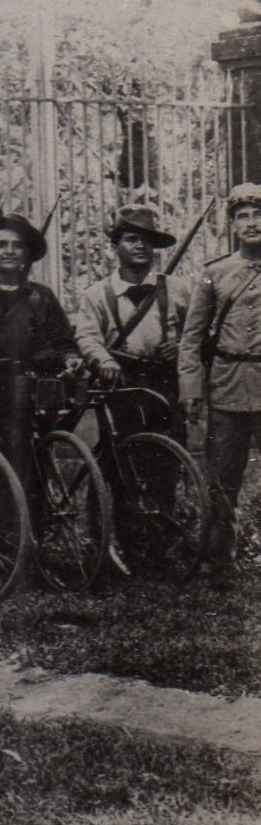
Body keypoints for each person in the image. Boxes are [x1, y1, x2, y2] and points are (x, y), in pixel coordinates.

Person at [178, 183, 261, 584]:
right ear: (231, 224)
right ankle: (220, 561)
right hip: (227, 385)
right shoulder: (215, 274)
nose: (252, 222)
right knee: (222, 479)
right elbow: (192, 336)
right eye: (243, 216)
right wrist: (191, 388)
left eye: (258, 214)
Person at [0, 212, 81, 506]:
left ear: (27, 254)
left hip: (34, 397)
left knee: (34, 470)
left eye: (17, 245)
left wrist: (70, 358)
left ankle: (31, 544)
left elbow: (64, 342)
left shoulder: (41, 297)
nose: (9, 251)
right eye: (1, 244)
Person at [74, 204, 190, 410]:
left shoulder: (176, 289)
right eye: (131, 239)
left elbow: (196, 333)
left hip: (166, 386)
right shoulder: (97, 294)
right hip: (119, 386)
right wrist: (104, 361)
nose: (140, 246)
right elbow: (87, 337)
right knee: (123, 441)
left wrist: (179, 347)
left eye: (146, 240)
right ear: (115, 246)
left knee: (169, 441)